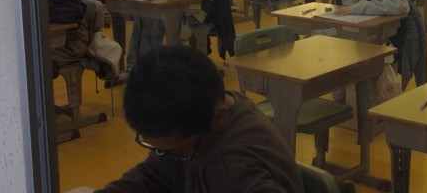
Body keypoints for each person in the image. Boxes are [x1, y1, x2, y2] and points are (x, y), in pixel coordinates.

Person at [95, 46, 304, 193]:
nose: (164, 155)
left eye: (176, 151)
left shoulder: (233, 172)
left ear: (219, 117)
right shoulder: (215, 103)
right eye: (157, 148)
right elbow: (158, 171)